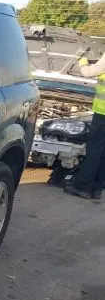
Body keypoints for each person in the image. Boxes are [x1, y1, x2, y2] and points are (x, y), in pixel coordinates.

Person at [65, 53, 105, 201]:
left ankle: (82, 187)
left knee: (94, 150)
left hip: (103, 112)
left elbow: (88, 72)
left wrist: (82, 61)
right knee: (103, 153)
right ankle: (96, 189)